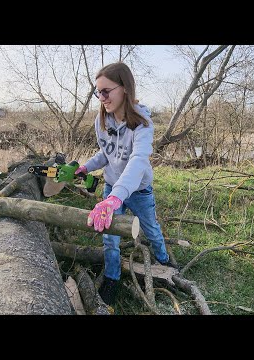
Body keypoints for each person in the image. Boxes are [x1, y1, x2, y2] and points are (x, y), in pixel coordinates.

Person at [75, 62, 173, 306]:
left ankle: (164, 260)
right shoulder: (102, 121)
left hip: (137, 191)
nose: (101, 97)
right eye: (98, 92)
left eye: (106, 91)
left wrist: (116, 197)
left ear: (125, 88)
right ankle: (112, 278)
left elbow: (138, 161)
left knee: (151, 228)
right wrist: (87, 166)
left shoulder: (142, 123)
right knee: (109, 236)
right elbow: (105, 154)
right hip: (111, 189)